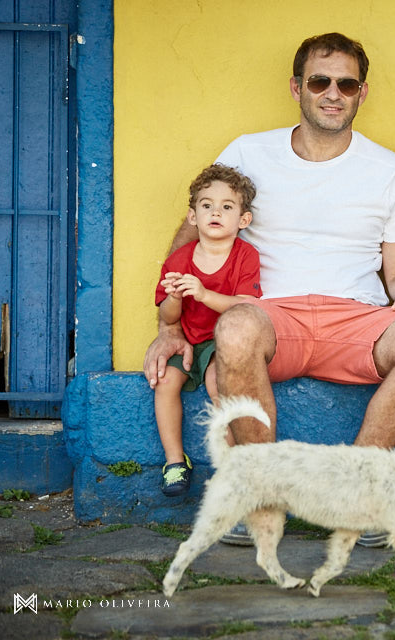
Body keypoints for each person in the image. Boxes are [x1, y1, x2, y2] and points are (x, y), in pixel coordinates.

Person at [143, 33, 395, 546]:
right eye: (319, 80)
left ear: (362, 93)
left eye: (346, 83)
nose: (333, 92)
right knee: (236, 327)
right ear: (296, 87)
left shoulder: (386, 169)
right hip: (271, 314)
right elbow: (194, 234)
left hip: (356, 317)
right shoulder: (249, 152)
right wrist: (168, 324)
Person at [153, 164, 261, 497]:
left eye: (227, 206)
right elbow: (167, 314)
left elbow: (246, 305)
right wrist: (174, 297)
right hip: (189, 340)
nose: (215, 212)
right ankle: (175, 461)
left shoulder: (246, 256)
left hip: (224, 343)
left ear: (243, 220)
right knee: (165, 381)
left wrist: (202, 294)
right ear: (192, 216)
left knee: (218, 384)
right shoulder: (179, 260)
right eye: (206, 205)